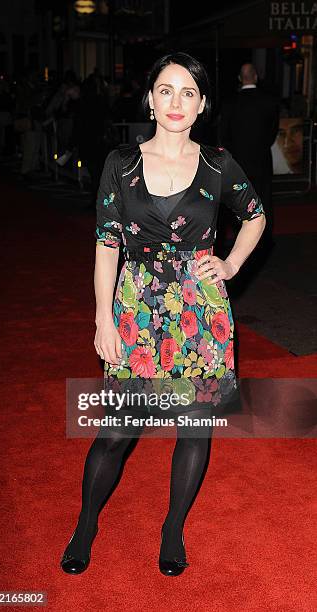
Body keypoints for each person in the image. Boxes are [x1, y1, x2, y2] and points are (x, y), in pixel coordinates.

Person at [60, 52, 266, 577]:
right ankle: (86, 523)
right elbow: (107, 246)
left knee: (195, 429)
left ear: (201, 105)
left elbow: (255, 215)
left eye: (188, 92)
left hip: (202, 312)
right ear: (149, 100)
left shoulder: (219, 164)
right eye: (166, 90)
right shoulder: (120, 163)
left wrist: (232, 263)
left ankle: (172, 529)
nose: (177, 102)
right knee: (117, 431)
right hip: (137, 310)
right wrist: (104, 319)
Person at [219, 63, 279, 242]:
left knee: (237, 199)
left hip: (237, 162)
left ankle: (240, 233)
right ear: (256, 77)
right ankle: (264, 234)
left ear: (239, 78)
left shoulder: (230, 103)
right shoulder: (269, 101)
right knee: (264, 196)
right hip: (261, 159)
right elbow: (272, 132)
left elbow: (224, 135)